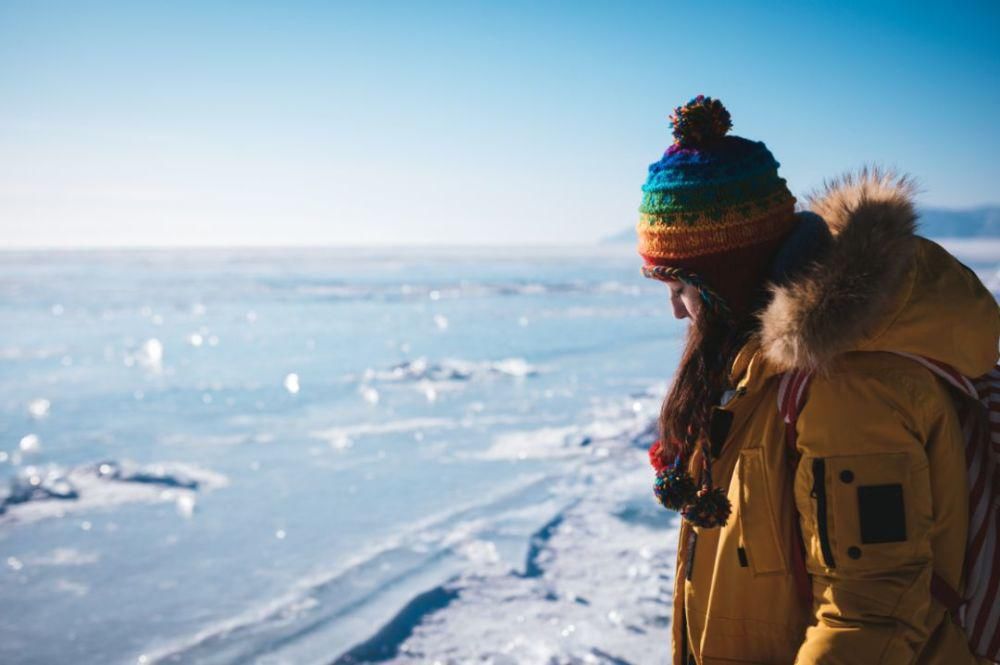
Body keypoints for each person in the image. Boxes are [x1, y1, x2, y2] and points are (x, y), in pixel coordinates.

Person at [638, 95, 1000, 664]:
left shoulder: (848, 387)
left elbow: (870, 615)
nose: (678, 313)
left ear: (730, 279)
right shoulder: (765, 372)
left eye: (683, 289)